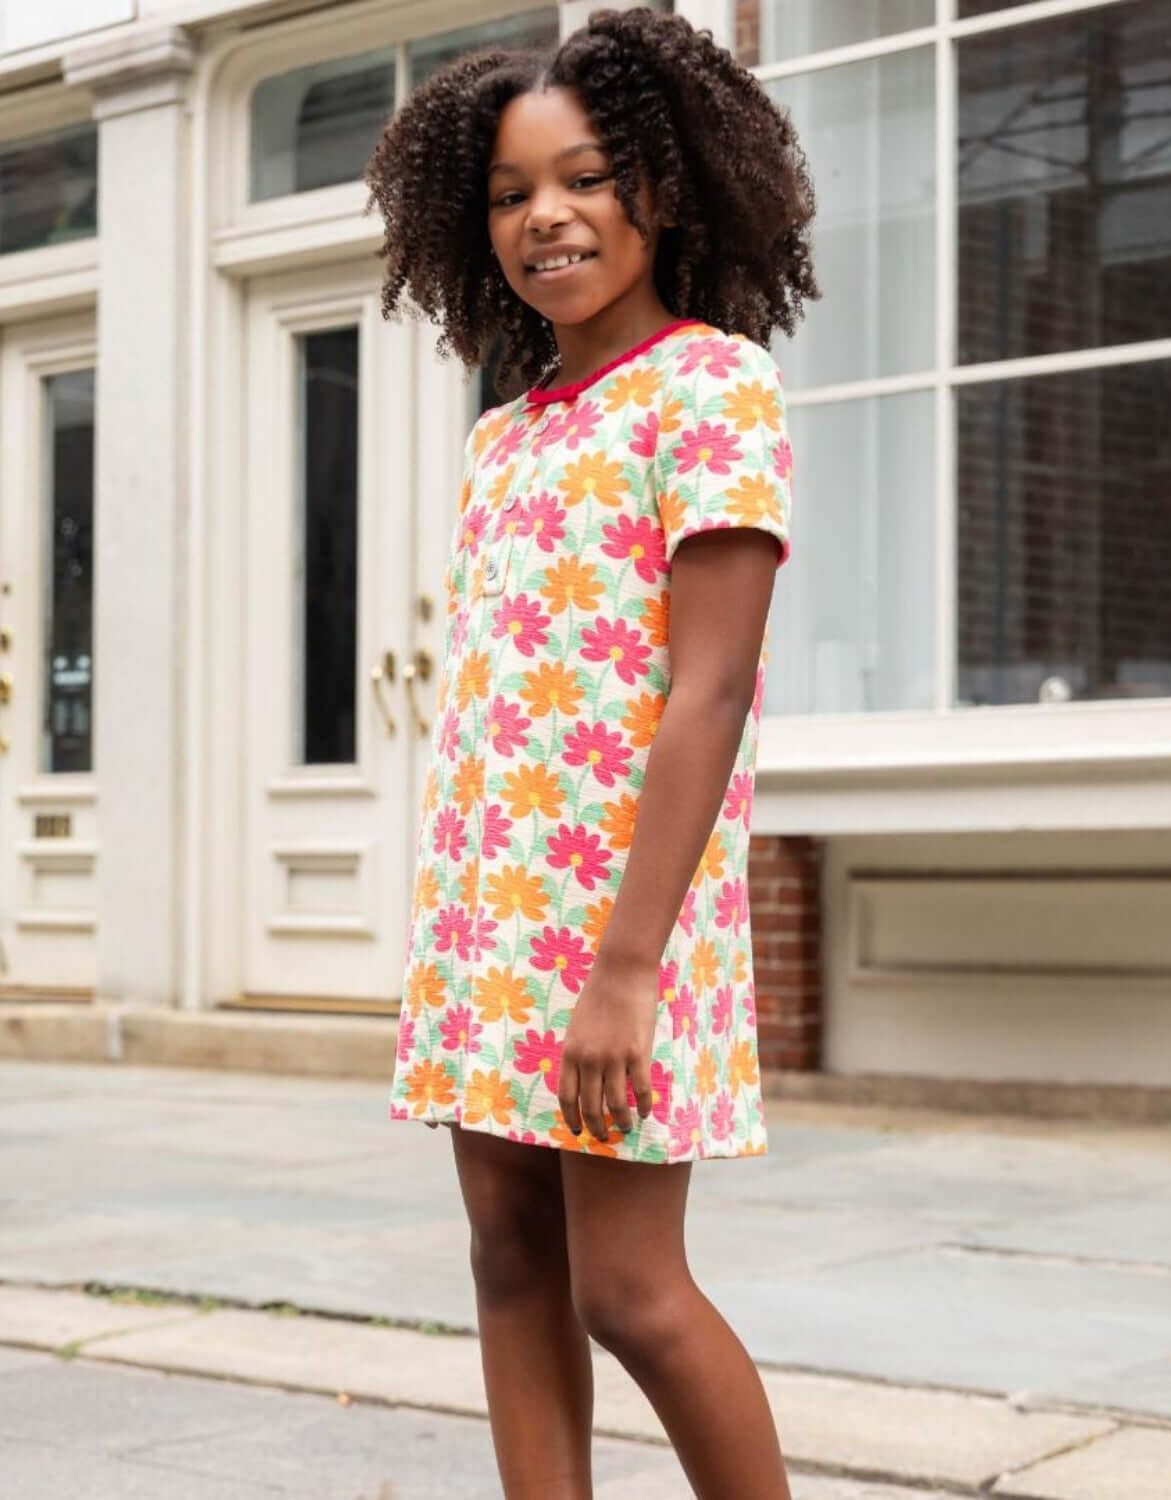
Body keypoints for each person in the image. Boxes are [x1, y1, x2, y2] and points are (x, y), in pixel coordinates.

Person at [364, 8, 818, 1496]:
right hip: (493, 920)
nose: (545, 215)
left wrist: (628, 966)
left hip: (628, 917)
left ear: (664, 190)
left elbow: (713, 688)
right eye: (509, 193)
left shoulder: (714, 389)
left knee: (628, 1290)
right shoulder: (508, 438)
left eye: (586, 177)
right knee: (507, 1262)